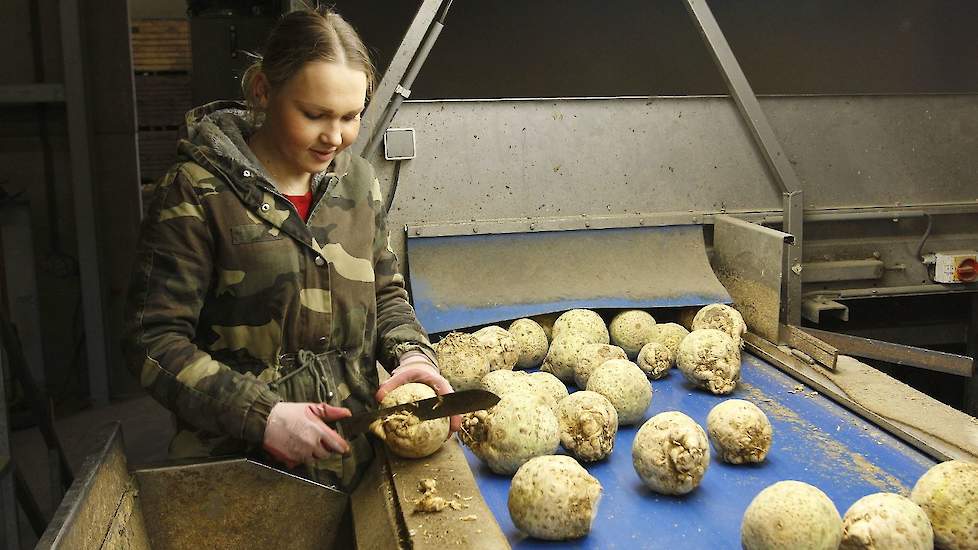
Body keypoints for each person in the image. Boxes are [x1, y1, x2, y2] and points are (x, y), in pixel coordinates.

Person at [123, 7, 458, 489]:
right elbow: (152, 341)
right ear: (263, 90)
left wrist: (413, 357)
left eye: (351, 116)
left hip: (353, 461)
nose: (335, 137)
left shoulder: (356, 182)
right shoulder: (197, 192)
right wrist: (261, 415)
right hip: (243, 473)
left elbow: (384, 293)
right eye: (314, 114)